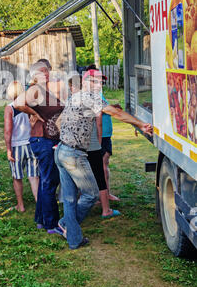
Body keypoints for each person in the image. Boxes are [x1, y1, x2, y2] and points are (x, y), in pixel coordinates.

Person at [55, 69, 153, 249]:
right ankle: (66, 224)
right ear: (85, 82)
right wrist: (140, 124)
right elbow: (115, 113)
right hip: (73, 155)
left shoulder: (75, 97)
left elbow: (59, 122)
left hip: (62, 151)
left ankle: (74, 238)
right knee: (91, 194)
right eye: (94, 81)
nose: (98, 85)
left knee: (69, 198)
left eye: (100, 82)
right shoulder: (88, 97)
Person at [13, 61, 65, 234]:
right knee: (50, 182)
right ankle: (52, 224)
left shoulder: (46, 91)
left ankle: (41, 219)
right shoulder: (35, 89)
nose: (47, 73)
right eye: (42, 71)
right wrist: (34, 113)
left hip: (48, 140)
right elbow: (18, 103)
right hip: (43, 140)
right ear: (34, 75)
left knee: (46, 181)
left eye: (48, 71)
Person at [68, 75, 120, 219]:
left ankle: (72, 213)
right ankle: (105, 209)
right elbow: (98, 122)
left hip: (75, 146)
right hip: (90, 145)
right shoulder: (90, 99)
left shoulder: (71, 101)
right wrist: (97, 142)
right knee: (98, 177)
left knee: (76, 179)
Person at [4, 80, 39, 212]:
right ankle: (39, 202)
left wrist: (8, 149)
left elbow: (8, 131)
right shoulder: (28, 106)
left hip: (17, 146)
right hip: (30, 144)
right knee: (34, 176)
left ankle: (21, 205)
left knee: (17, 176)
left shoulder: (10, 108)